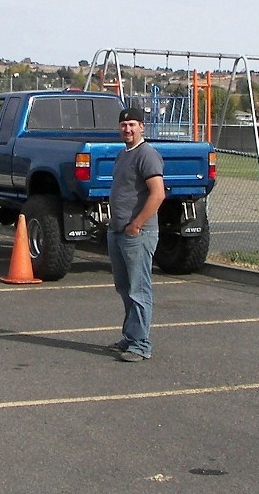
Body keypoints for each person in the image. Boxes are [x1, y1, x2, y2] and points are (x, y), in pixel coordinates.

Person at [107, 107, 165, 362]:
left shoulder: (147, 155)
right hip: (117, 231)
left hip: (137, 235)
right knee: (124, 287)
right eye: (123, 125)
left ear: (142, 126)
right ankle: (130, 337)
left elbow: (157, 194)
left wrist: (137, 225)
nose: (127, 129)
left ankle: (141, 344)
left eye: (132, 124)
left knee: (139, 290)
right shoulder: (123, 155)